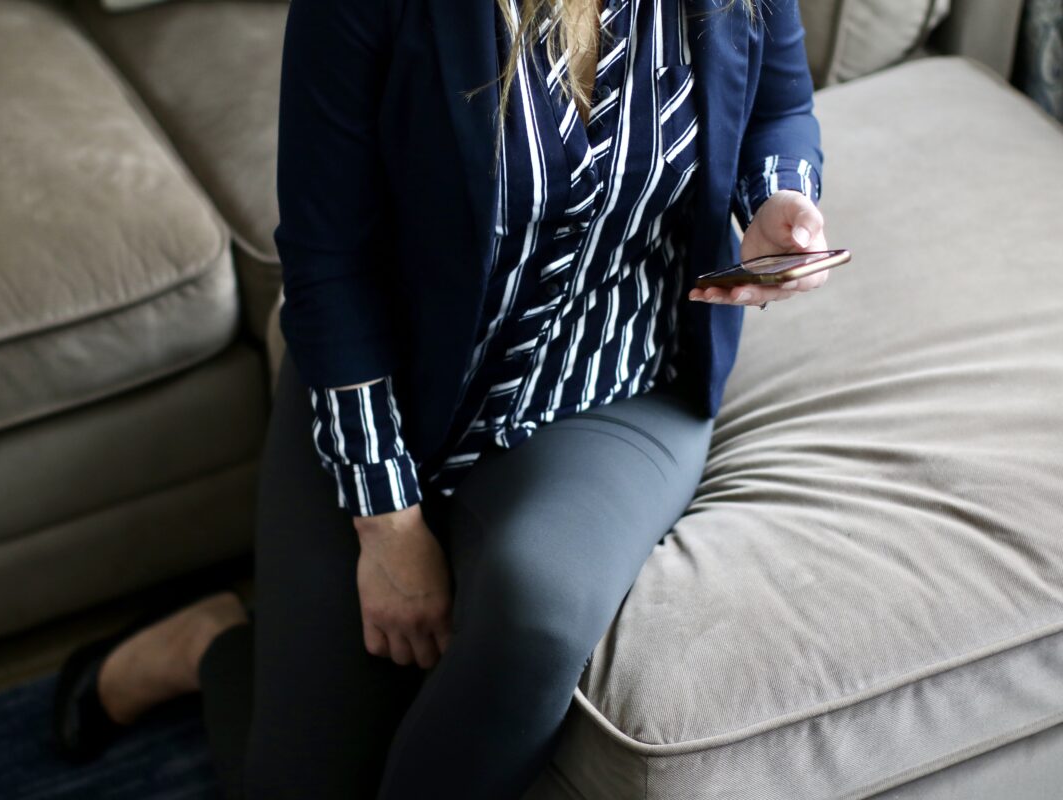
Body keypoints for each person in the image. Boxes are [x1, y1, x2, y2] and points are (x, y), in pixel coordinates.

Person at [52, 0, 830, 797]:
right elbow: (328, 262)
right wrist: (387, 525)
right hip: (388, 384)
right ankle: (211, 643)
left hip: (612, 385)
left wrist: (781, 197)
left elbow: (780, 107)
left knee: (538, 616)